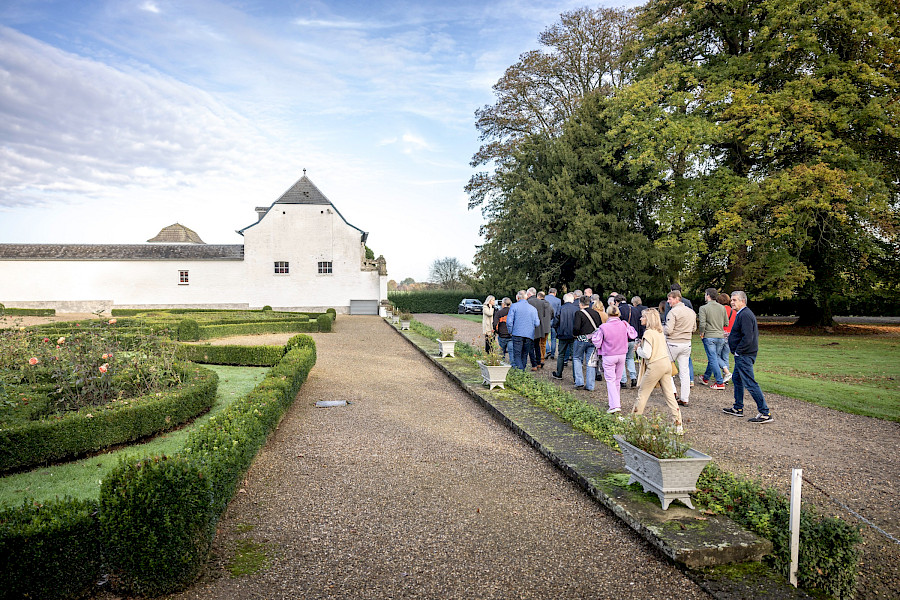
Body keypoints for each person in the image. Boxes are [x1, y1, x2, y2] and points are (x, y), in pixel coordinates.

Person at [722, 291, 773, 423]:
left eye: (734, 300)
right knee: (737, 380)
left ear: (742, 301)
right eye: (731, 300)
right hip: (742, 354)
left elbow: (748, 337)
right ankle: (738, 408)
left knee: (750, 383)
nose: (732, 302)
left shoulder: (745, 315)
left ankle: (765, 412)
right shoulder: (742, 314)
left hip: (744, 355)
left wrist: (739, 351)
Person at [633, 309, 683, 433]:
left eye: (643, 317)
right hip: (666, 364)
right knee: (669, 396)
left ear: (648, 319)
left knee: (642, 393)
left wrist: (638, 349)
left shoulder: (649, 333)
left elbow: (647, 353)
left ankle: (634, 422)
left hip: (655, 365)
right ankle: (678, 424)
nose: (641, 319)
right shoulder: (659, 332)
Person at [591, 304, 636, 413]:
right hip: (622, 354)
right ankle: (615, 402)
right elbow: (633, 334)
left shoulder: (603, 327)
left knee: (610, 380)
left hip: (609, 355)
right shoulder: (624, 324)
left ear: (608, 313)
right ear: (618, 314)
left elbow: (597, 342)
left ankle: (614, 405)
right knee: (617, 380)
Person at [664, 290, 696, 406]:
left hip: (673, 343)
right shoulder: (691, 312)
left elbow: (668, 330)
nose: (668, 302)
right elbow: (694, 328)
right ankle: (685, 398)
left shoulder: (673, 312)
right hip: (687, 343)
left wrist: (661, 329)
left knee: (667, 369)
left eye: (670, 299)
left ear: (677, 298)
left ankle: (672, 392)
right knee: (684, 372)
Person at [698, 288, 728, 389]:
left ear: (708, 295)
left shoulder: (703, 308)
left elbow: (702, 323)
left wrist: (701, 332)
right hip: (720, 336)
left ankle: (720, 382)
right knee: (713, 358)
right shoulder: (722, 308)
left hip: (709, 336)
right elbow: (726, 323)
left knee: (713, 358)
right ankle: (706, 378)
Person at [572, 295, 602, 391]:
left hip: (581, 339)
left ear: (580, 304)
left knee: (577, 358)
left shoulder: (579, 313)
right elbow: (600, 326)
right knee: (590, 362)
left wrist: (575, 334)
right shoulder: (596, 313)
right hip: (593, 340)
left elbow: (576, 327)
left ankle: (579, 382)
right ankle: (590, 385)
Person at [506, 290, 540, 371]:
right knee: (524, 354)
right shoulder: (533, 309)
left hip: (517, 333)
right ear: (526, 298)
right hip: (529, 335)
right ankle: (522, 372)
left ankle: (521, 372)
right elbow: (537, 323)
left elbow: (509, 322)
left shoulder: (514, 306)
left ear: (518, 298)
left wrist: (510, 331)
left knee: (517, 355)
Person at [551, 293, 578, 379]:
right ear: (572, 299)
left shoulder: (561, 308)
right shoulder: (576, 309)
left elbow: (555, 322)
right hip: (573, 335)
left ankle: (559, 373)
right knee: (575, 356)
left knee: (561, 354)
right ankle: (576, 377)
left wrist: (557, 331)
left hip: (562, 334)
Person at [618, 295, 642, 388]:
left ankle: (623, 380)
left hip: (623, 339)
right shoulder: (634, 309)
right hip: (633, 337)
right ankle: (633, 377)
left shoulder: (619, 310)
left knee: (622, 360)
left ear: (617, 302)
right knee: (630, 358)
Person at [718, 292, 736, 382]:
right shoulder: (733, 311)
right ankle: (726, 376)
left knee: (716, 355)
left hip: (721, 334)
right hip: (730, 335)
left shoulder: (720, 310)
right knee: (725, 356)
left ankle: (726, 373)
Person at [493, 297, 512, 362]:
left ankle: (501, 366)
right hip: (511, 335)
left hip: (502, 335)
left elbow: (495, 324)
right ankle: (514, 368)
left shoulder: (499, 312)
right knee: (512, 353)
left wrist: (497, 331)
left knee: (501, 353)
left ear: (503, 304)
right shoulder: (513, 312)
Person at [545, 288, 562, 359]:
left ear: (549, 292)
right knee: (553, 338)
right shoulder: (558, 300)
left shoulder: (544, 298)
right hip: (554, 320)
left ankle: (547, 349)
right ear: (555, 293)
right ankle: (552, 353)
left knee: (544, 337)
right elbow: (558, 312)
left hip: (545, 320)